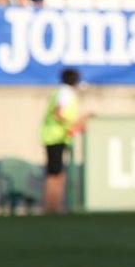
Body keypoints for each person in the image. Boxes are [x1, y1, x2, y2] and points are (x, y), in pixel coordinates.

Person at [40, 67, 88, 215]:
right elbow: (59, 113)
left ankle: (53, 207)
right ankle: (51, 208)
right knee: (55, 174)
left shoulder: (60, 92)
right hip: (55, 137)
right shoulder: (65, 93)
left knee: (56, 172)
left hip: (55, 136)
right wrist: (74, 123)